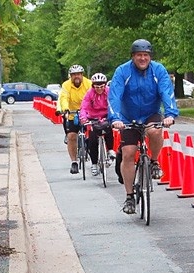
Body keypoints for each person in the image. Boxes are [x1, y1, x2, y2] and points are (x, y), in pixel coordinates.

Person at [108, 39, 178, 214]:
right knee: (129, 153)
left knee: (155, 130)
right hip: (128, 117)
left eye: (146, 55)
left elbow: (166, 92)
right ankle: (130, 197)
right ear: (133, 56)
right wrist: (115, 118)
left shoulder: (158, 70)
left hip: (150, 113)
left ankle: (154, 161)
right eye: (139, 55)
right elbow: (115, 96)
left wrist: (170, 114)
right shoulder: (122, 71)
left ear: (150, 57)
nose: (142, 58)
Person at [57, 64, 92, 174]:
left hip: (87, 113)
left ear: (82, 75)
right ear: (70, 76)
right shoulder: (66, 85)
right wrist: (65, 109)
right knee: (71, 136)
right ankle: (74, 162)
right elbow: (64, 98)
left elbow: (93, 97)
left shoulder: (88, 83)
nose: (76, 77)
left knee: (93, 135)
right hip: (72, 113)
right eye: (74, 75)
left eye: (78, 74)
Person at [79, 73, 116, 176]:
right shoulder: (89, 94)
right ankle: (94, 164)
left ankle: (110, 150)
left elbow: (114, 104)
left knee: (108, 129)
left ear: (105, 85)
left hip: (106, 115)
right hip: (93, 117)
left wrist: (116, 117)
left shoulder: (109, 91)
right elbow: (84, 107)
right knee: (92, 139)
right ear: (93, 86)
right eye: (97, 87)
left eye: (101, 86)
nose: (99, 89)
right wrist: (83, 118)